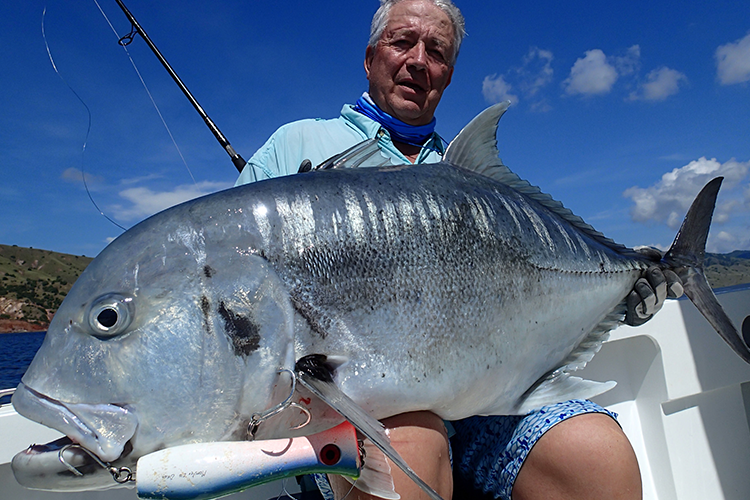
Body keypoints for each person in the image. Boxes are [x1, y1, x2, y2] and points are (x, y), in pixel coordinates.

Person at [237, 1, 679, 498]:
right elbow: (230, 279)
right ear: (370, 57)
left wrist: (622, 294)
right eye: (402, 41)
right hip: (354, 402)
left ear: (447, 75)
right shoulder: (298, 144)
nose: (418, 60)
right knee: (412, 459)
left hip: (484, 398)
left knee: (597, 461)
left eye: (437, 51)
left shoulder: (467, 177)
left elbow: (537, 288)